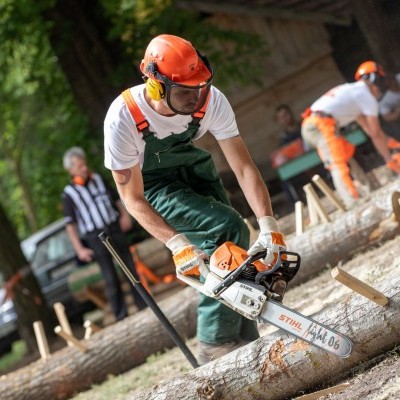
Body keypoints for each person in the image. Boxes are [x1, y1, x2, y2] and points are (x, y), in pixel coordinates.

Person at [103, 34, 285, 364]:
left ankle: (244, 339)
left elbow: (243, 166)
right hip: (154, 187)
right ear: (157, 85)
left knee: (236, 238)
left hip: (195, 170)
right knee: (226, 225)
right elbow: (131, 197)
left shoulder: (210, 99)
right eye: (185, 90)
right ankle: (215, 342)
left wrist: (269, 224)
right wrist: (176, 244)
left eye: (199, 85)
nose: (195, 96)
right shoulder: (123, 117)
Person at [62, 147, 147, 321]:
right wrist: (80, 249)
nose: (84, 168)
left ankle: (144, 305)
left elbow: (117, 198)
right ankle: (120, 315)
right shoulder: (69, 194)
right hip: (95, 237)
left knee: (130, 269)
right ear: (70, 170)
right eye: (79, 166)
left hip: (114, 228)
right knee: (110, 277)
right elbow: (71, 225)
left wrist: (125, 215)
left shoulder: (99, 179)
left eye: (84, 164)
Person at [301, 61, 400, 207]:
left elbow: (370, 129)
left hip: (322, 123)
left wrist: (390, 143)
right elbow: (375, 134)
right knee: (338, 162)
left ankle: (369, 191)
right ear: (374, 79)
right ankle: (352, 203)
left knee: (346, 154)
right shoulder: (365, 96)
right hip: (319, 125)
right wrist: (389, 160)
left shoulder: (356, 93)